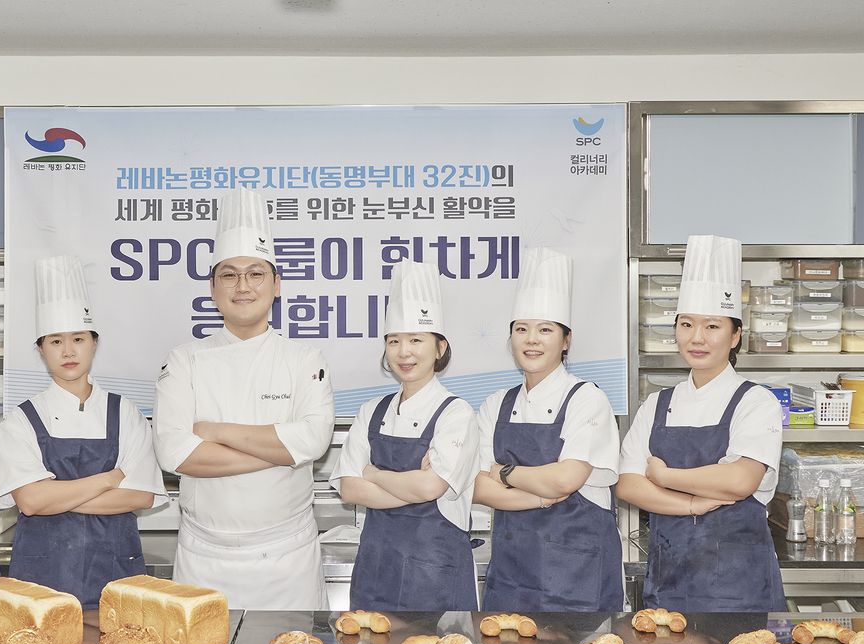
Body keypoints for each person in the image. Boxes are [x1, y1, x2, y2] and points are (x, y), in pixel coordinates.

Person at [154, 188, 334, 609]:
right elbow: (174, 454)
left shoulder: (304, 357)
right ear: (213, 289)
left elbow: (313, 441)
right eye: (229, 275)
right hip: (204, 559)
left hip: (288, 559)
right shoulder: (184, 361)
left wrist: (215, 432)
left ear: (276, 286)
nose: (243, 286)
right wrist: (280, 450)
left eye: (256, 273)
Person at [617, 235, 785, 612]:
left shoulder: (756, 402)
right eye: (686, 324)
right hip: (669, 583)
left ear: (735, 334)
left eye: (712, 326)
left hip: (740, 588)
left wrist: (663, 477)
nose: (696, 338)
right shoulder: (657, 404)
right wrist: (694, 504)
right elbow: (628, 484)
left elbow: (740, 481)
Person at [0, 255, 166, 606]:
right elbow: (30, 501)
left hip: (116, 572)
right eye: (55, 341)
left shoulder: (126, 413)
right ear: (41, 350)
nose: (68, 351)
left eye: (78, 338)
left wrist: (55, 495)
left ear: (94, 343)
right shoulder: (21, 420)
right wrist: (108, 479)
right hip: (43, 578)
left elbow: (140, 497)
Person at [473, 247, 623, 611]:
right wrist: (538, 497)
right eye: (521, 329)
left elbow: (565, 479)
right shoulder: (497, 404)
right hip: (511, 577)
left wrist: (503, 472)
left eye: (545, 330)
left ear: (566, 339)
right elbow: (476, 486)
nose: (531, 340)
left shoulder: (587, 399)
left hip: (579, 580)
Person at [331, 260, 479, 611]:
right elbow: (350, 488)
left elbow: (431, 488)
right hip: (375, 573)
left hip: (437, 580)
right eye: (394, 341)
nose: (404, 352)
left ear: (439, 348)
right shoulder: (372, 410)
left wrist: (374, 474)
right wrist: (412, 484)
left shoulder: (456, 413)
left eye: (416, 339)